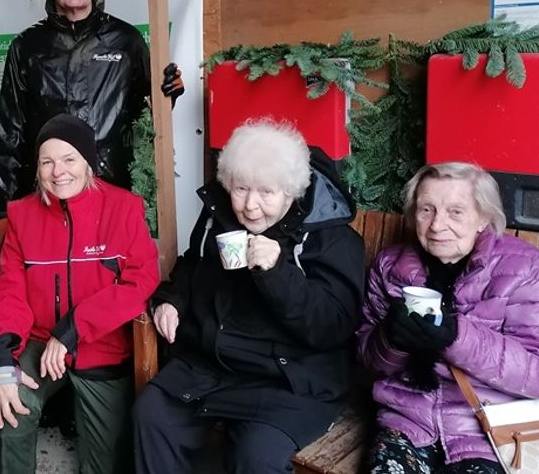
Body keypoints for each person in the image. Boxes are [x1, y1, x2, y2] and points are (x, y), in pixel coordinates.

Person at [133, 119, 366, 474]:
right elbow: (191, 266)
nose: (250, 205)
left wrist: (277, 272)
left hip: (288, 382)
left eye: (266, 193)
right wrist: (171, 299)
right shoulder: (218, 219)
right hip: (211, 368)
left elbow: (331, 326)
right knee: (150, 415)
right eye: (241, 188)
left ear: (291, 191)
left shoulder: (330, 240)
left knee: (257, 457)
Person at [358, 162, 539, 474]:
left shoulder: (527, 270)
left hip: (489, 431)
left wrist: (456, 337)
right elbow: (369, 361)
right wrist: (390, 339)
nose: (436, 225)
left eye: (456, 212)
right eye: (426, 210)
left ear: (483, 217)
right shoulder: (391, 266)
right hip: (406, 421)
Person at [0, 114, 160, 474]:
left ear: (88, 163)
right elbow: (8, 290)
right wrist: (1, 355)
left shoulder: (123, 208)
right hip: (37, 339)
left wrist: (74, 329)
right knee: (4, 411)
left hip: (100, 344)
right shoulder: (21, 215)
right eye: (47, 161)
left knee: (110, 464)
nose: (58, 171)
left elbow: (142, 282)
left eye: (69, 159)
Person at [0, 0, 183, 201]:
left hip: (113, 185)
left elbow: (150, 110)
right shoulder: (26, 46)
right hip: (48, 189)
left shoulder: (126, 40)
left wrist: (170, 91)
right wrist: (6, 206)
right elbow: (9, 128)